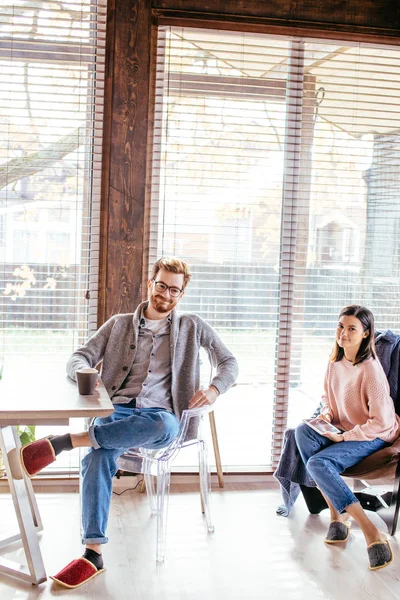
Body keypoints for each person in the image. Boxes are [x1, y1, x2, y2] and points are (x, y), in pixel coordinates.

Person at [20, 257, 238, 588]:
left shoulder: (192, 326)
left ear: (181, 294)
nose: (166, 294)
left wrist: (214, 388)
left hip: (160, 417)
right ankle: (93, 553)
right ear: (150, 284)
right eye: (161, 285)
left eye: (174, 290)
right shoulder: (119, 324)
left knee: (165, 426)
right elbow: (79, 356)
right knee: (97, 456)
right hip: (118, 412)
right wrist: (86, 375)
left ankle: (66, 441)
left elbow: (229, 362)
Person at [295, 305, 400, 571]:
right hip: (345, 430)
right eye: (340, 326)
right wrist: (327, 417)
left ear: (366, 334)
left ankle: (371, 533)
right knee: (301, 432)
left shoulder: (371, 371)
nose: (343, 333)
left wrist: (346, 438)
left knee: (318, 464)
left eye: (352, 328)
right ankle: (337, 518)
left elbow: (383, 422)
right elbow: (328, 401)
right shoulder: (334, 363)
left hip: (374, 434)